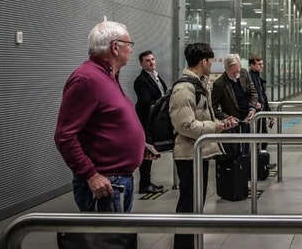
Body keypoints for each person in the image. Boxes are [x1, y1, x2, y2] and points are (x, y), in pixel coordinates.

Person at [55, 21, 157, 214]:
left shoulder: (108, 76)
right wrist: (91, 175)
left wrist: (137, 145)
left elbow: (107, 122)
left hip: (118, 179)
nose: (131, 50)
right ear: (115, 47)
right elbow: (64, 136)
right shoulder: (86, 79)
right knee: (109, 234)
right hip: (106, 183)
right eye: (129, 44)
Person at [170, 43, 239, 249]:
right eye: (211, 61)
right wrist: (215, 126)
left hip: (199, 152)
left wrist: (220, 123)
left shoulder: (200, 84)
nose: (212, 64)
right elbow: (185, 125)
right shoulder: (184, 89)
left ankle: (192, 242)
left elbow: (202, 117)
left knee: (196, 203)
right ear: (204, 61)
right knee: (188, 204)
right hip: (188, 154)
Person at [133, 50, 167, 194]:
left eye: (152, 59)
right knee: (147, 152)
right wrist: (161, 103)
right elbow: (146, 102)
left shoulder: (156, 77)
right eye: (147, 60)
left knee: (151, 151)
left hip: (155, 120)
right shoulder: (141, 81)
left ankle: (147, 182)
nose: (151, 62)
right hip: (146, 121)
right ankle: (144, 184)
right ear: (141, 64)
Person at [212, 54, 258, 126]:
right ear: (226, 69)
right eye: (233, 72)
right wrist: (228, 118)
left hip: (248, 120)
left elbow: (253, 92)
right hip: (232, 125)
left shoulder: (244, 73)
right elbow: (213, 108)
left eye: (238, 71)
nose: (236, 74)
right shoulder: (219, 84)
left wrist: (252, 108)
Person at [248, 55, 274, 154]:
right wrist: (254, 104)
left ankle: (261, 158)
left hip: (261, 112)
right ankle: (257, 159)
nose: (262, 66)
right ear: (252, 65)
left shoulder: (258, 78)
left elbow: (263, 97)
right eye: (259, 64)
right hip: (256, 113)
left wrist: (269, 114)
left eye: (262, 64)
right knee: (259, 138)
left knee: (263, 138)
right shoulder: (250, 78)